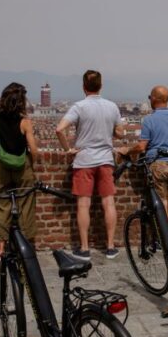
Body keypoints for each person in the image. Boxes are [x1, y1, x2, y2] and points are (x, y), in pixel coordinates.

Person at [55, 70, 123, 261]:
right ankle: (110, 247)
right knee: (108, 202)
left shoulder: (79, 107)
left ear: (84, 87)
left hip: (84, 160)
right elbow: (120, 132)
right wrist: (111, 133)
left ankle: (84, 249)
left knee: (83, 204)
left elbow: (60, 129)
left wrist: (68, 149)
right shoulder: (112, 107)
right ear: (101, 86)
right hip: (106, 160)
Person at [119, 85, 168, 232]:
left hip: (157, 166)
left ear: (154, 99)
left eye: (150, 97)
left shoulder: (149, 120)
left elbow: (141, 147)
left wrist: (127, 150)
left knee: (162, 206)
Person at [0, 82, 39, 262]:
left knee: (2, 204)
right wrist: (32, 163)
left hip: (1, 166)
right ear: (21, 102)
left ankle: (0, 249)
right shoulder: (25, 122)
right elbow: (34, 150)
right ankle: (27, 247)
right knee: (26, 204)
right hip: (23, 167)